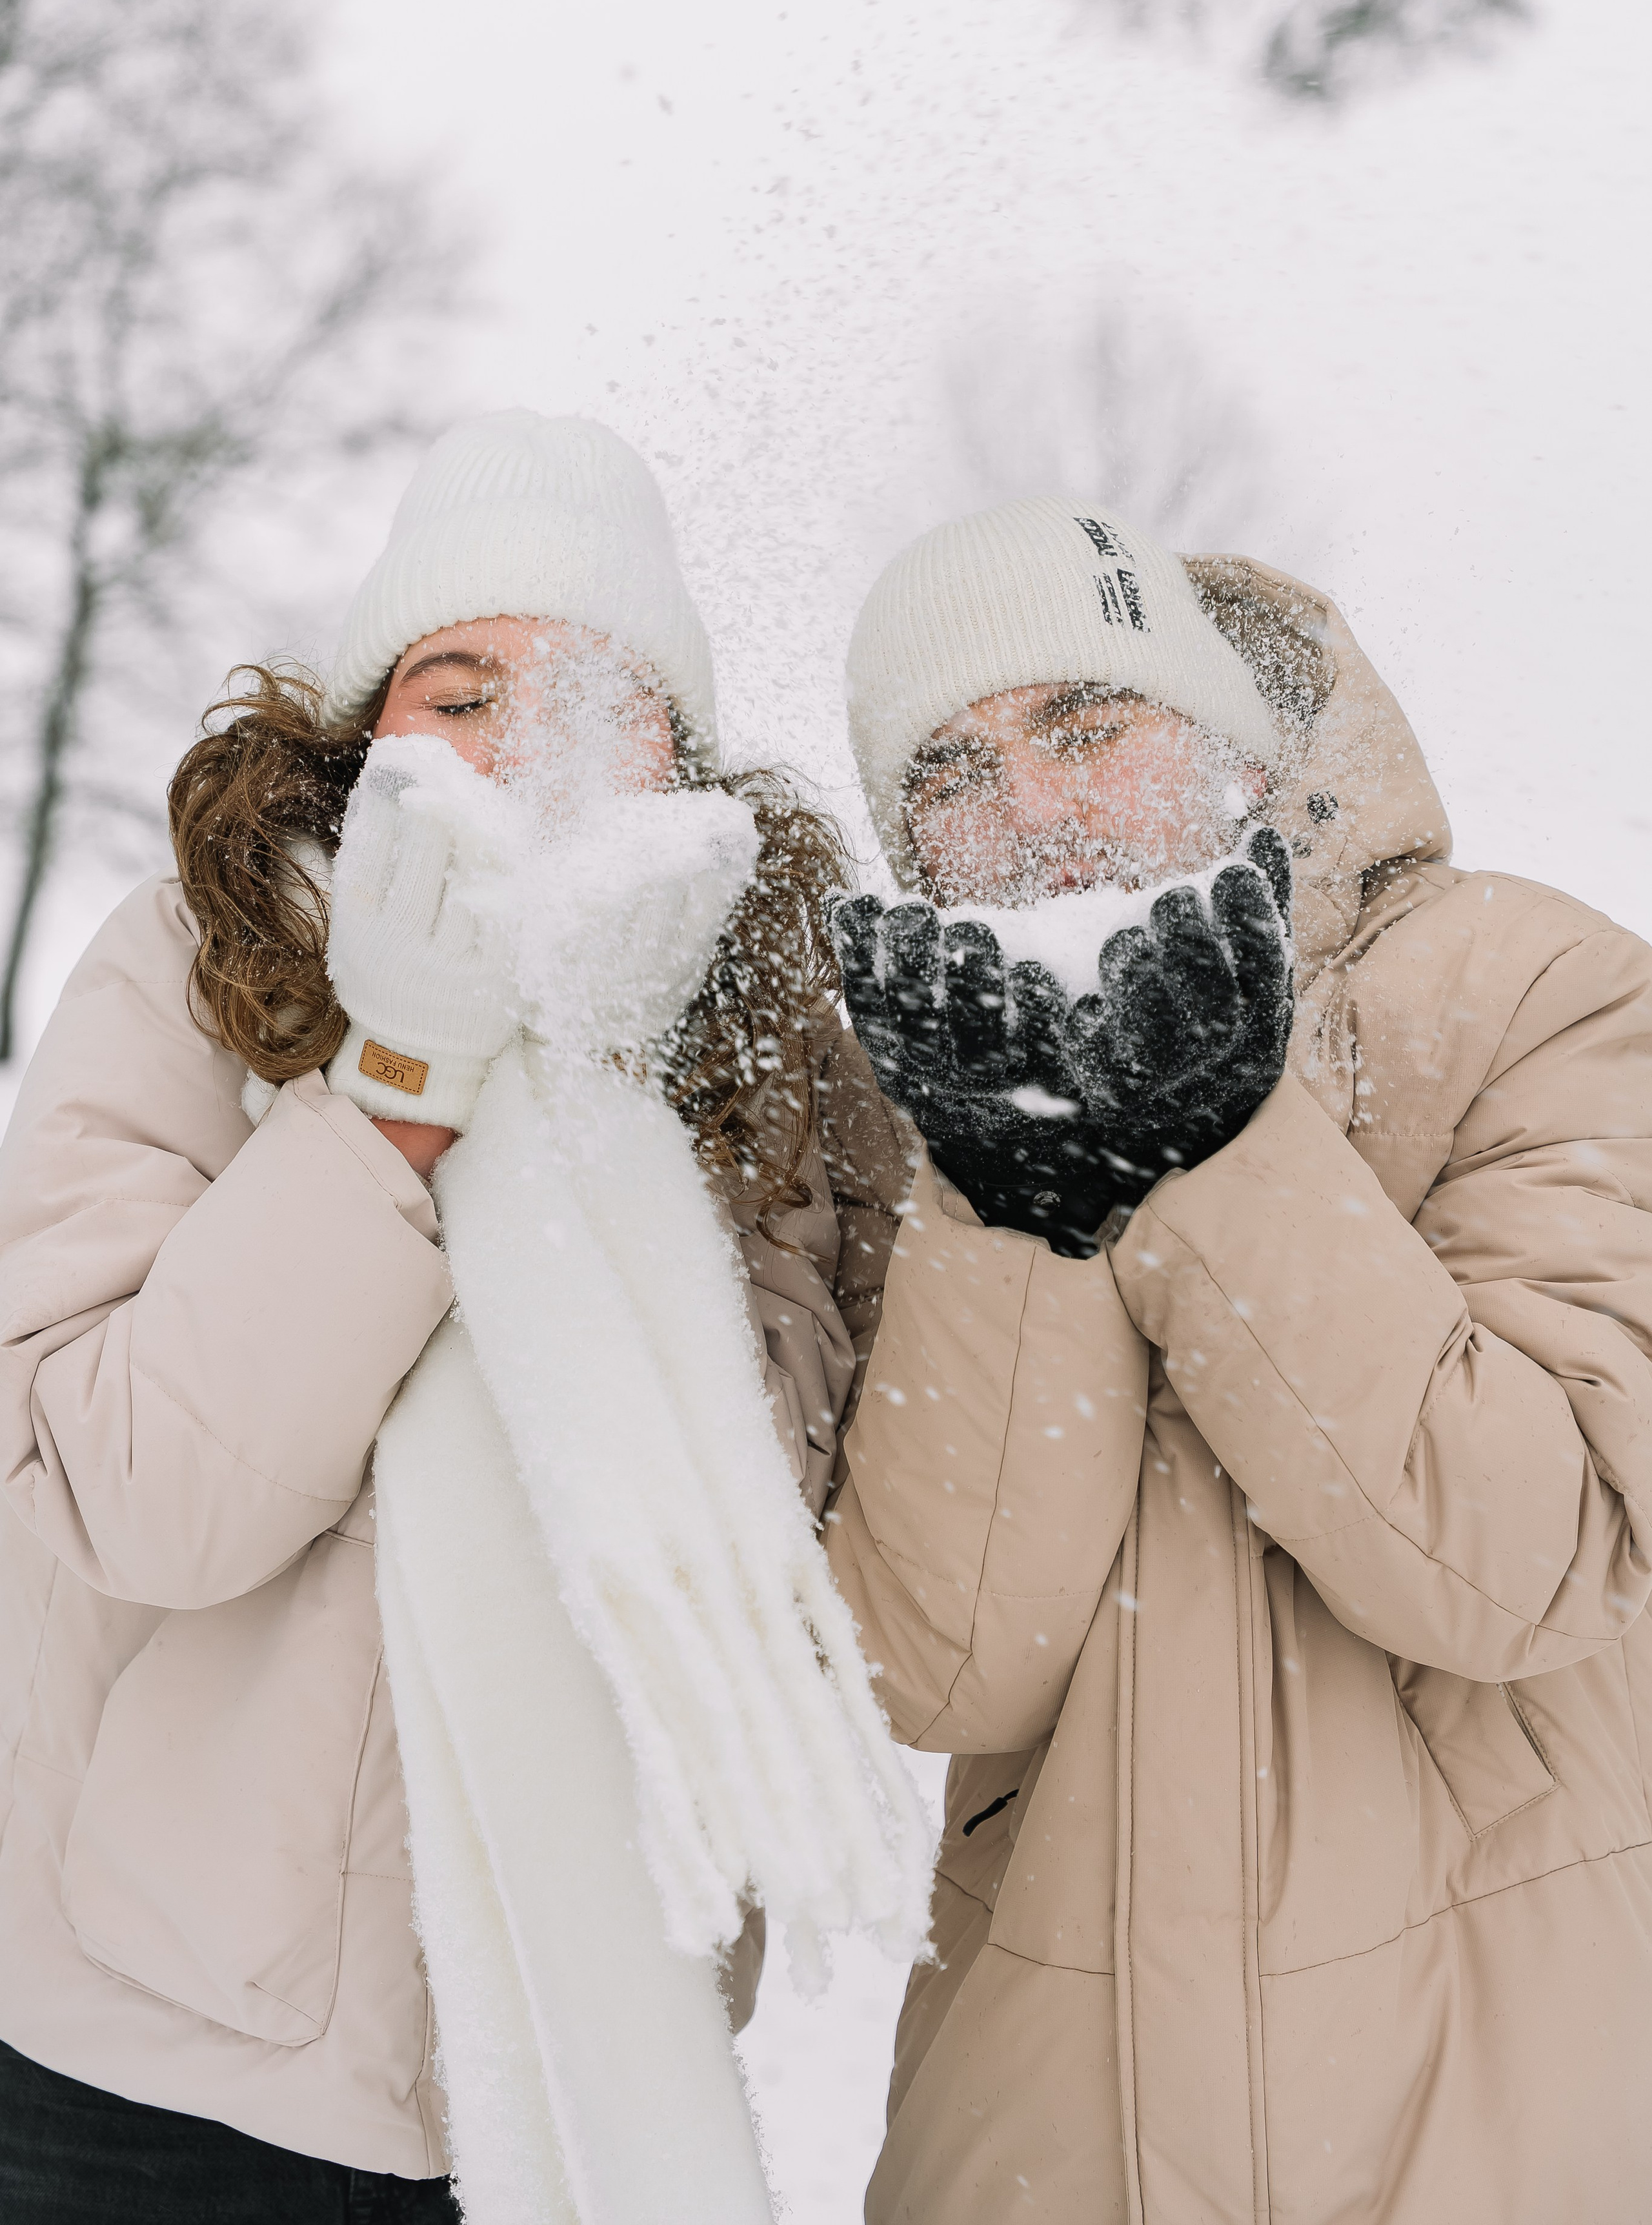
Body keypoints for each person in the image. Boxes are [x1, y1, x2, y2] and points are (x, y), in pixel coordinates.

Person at [0, 412, 888, 2222]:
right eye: (457, 683)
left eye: (586, 697)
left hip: (554, 2091)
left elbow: (795, 1546)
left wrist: (614, 1120)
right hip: (138, 2072)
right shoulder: (198, 969)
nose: (508, 744)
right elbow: (138, 1498)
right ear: (360, 727)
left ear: (673, 759)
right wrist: (402, 1083)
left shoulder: (786, 1077)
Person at [822, 495, 1652, 2223]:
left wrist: (1219, 1138)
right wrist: (1011, 1178)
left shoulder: (1534, 989)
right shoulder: (931, 1100)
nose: (1032, 817)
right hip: (1049, 2139)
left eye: (1085, 724)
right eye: (953, 777)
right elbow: (945, 1670)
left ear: (1237, 750)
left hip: (1498, 2117)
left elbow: (1520, 1566)